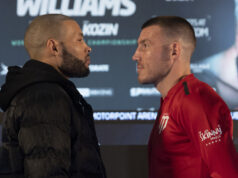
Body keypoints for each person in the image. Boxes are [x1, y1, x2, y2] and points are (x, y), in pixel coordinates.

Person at [0, 14, 106, 178]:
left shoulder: (42, 92)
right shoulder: (45, 97)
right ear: (54, 47)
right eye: (79, 40)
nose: (88, 47)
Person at [132, 16, 238, 178]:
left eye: (145, 45)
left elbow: (226, 173)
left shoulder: (196, 101)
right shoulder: (171, 100)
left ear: (174, 51)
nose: (136, 56)